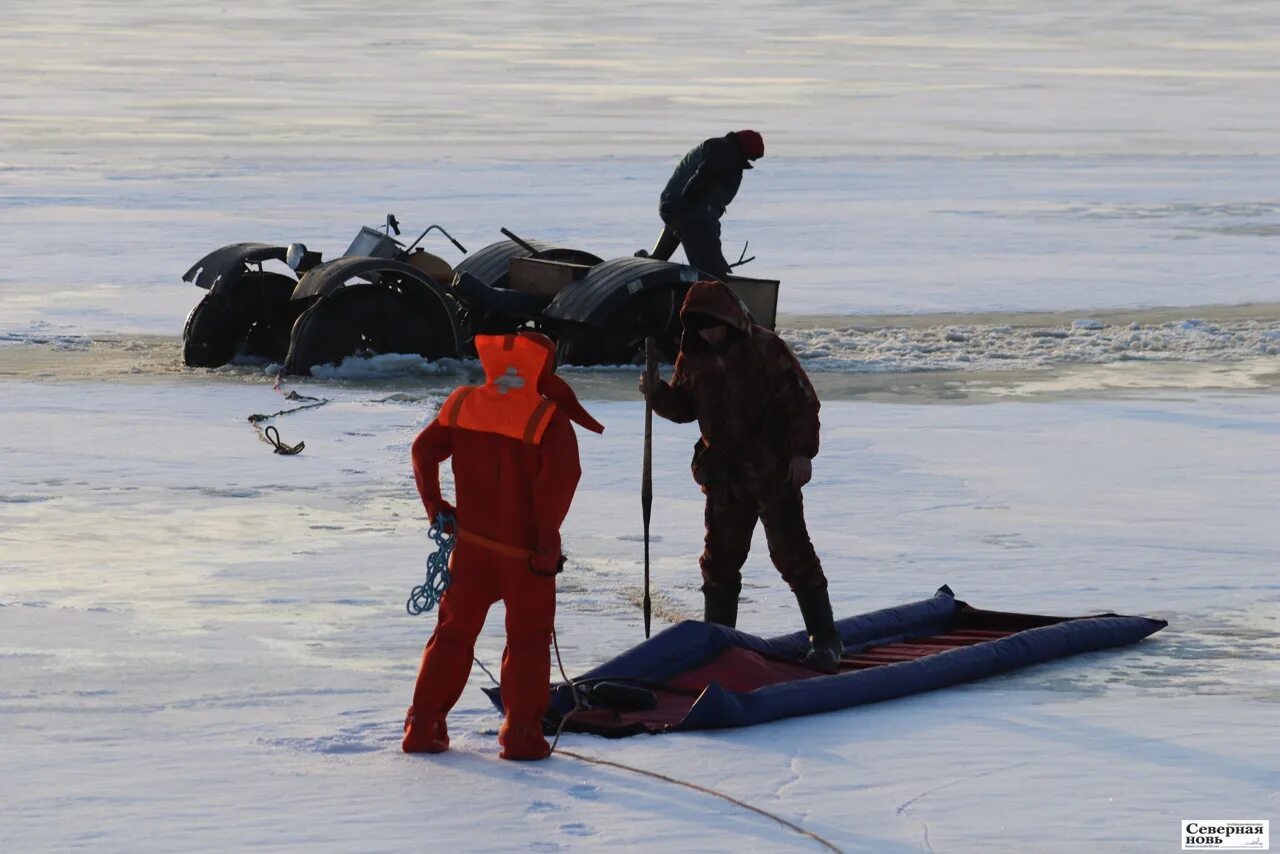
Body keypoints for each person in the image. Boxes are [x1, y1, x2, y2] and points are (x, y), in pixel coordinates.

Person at [402, 331, 604, 760]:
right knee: (528, 640)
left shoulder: (462, 402)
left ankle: (422, 727)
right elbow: (560, 482)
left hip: (470, 548)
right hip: (525, 555)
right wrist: (547, 539)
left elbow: (422, 452)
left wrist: (436, 507)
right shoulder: (548, 418)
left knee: (453, 634)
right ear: (543, 369)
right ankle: (522, 735)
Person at [638, 279, 843, 671]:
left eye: (711, 324)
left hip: (772, 469)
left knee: (791, 552)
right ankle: (719, 642)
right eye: (698, 326)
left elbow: (802, 402)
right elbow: (685, 407)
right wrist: (658, 395)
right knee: (720, 559)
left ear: (729, 318)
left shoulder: (765, 348)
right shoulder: (694, 356)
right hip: (724, 475)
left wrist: (802, 453)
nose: (707, 333)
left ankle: (825, 637)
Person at [643, 130, 765, 280]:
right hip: (684, 210)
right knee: (708, 270)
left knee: (686, 231)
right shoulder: (723, 153)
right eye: (750, 157)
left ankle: (653, 261)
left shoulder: (722, 150)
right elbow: (700, 179)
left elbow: (709, 205)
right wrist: (686, 204)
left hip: (676, 205)